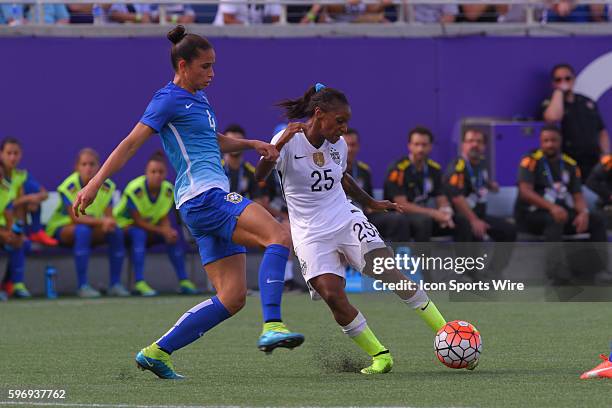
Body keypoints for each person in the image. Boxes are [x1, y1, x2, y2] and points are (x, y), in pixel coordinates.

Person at [73, 25, 304, 380]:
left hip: (199, 204)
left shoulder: (198, 98)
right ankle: (272, 323)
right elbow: (130, 144)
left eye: (213, 66)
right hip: (204, 197)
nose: (212, 73)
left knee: (232, 296)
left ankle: (156, 352)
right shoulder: (167, 98)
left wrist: (251, 143)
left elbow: (210, 140)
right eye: (205, 67)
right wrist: (95, 183)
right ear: (183, 65)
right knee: (277, 235)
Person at [255, 84, 469, 375]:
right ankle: (380, 356)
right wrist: (278, 145)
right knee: (332, 295)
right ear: (319, 114)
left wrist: (370, 202)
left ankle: (446, 331)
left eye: (347, 122)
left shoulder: (338, 145)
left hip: (345, 218)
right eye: (339, 121)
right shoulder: (287, 141)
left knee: (390, 272)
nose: (344, 129)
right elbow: (259, 177)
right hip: (309, 232)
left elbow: (342, 177)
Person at [45, 148, 128, 298]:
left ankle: (115, 284)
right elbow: (75, 218)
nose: (88, 168)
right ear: (77, 167)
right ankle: (82, 286)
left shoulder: (107, 186)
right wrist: (103, 221)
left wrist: (109, 223)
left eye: (92, 164)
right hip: (63, 229)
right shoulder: (69, 185)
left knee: (115, 232)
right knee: (82, 231)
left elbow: (109, 217)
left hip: (91, 227)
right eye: (84, 164)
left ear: (99, 167)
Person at [114, 152, 198, 296]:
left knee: (172, 237)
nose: (157, 175)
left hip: (150, 229)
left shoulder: (168, 190)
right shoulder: (135, 189)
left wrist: (168, 231)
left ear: (165, 173)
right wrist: (162, 231)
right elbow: (138, 221)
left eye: (161, 172)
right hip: (125, 227)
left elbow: (163, 216)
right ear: (146, 173)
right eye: (153, 172)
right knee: (139, 234)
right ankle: (139, 282)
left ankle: (184, 281)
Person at [385, 126, 471, 242]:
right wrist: (433, 213)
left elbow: (441, 197)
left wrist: (446, 212)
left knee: (461, 220)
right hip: (402, 218)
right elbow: (401, 205)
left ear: (430, 146)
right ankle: (423, 260)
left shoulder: (434, 169)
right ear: (409, 146)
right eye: (416, 144)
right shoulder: (398, 169)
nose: (420, 149)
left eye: (424, 145)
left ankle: (465, 259)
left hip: (426, 216)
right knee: (424, 221)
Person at [542, 63, 609, 179]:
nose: (564, 82)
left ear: (574, 79)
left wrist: (605, 154)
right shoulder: (550, 103)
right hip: (567, 162)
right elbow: (553, 118)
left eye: (567, 78)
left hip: (593, 161)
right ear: (553, 83)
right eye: (558, 79)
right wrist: (559, 92)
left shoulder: (587, 102)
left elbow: (601, 130)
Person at [344, 128, 411, 243]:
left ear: (358, 147)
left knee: (397, 219)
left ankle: (400, 256)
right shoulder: (330, 170)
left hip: (363, 215)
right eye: (346, 145)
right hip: (339, 217)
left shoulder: (364, 171)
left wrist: (373, 207)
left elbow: (368, 200)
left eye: (353, 145)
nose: (350, 149)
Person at [1, 138, 57, 246]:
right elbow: (5, 206)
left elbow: (44, 194)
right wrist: (27, 199)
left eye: (16, 153)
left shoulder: (22, 175)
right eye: (8, 153)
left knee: (31, 193)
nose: (12, 157)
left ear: (21, 155)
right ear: (1, 154)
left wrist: (34, 199)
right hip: (3, 223)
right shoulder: (1, 175)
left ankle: (35, 231)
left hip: (15, 221)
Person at [0, 163, 30, 299]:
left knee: (20, 242)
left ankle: (14, 284)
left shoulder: (5, 190)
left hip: (2, 230)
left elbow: (8, 214)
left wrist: (13, 233)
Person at [213, 0, 281, 25]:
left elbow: (276, 18)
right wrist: (248, 26)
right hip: (226, 35)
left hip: (258, 35)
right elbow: (227, 19)